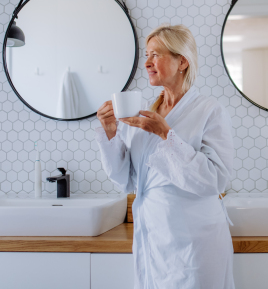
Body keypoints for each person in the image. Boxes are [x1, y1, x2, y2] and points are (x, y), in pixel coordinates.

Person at [94, 23, 235, 288]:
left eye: (155, 55)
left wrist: (165, 135)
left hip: (193, 239)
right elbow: (126, 179)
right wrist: (111, 132)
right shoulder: (147, 111)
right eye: (146, 55)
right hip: (154, 236)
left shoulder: (209, 110)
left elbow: (215, 180)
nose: (147, 62)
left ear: (182, 61)